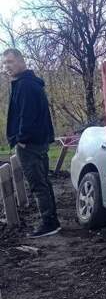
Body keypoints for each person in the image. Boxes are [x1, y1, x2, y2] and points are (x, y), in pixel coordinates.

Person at [3, 48, 60, 237]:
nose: (6, 67)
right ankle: (51, 220)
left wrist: (21, 139)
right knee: (43, 181)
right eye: (4, 63)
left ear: (21, 62)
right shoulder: (26, 83)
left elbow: (26, 116)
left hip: (30, 144)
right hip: (37, 142)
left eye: (10, 62)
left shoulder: (25, 85)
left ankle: (48, 223)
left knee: (37, 184)